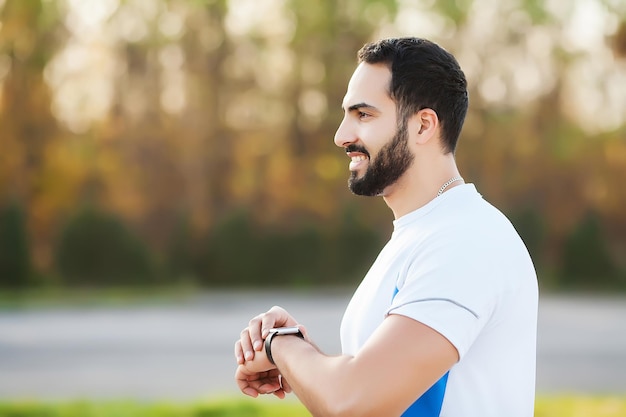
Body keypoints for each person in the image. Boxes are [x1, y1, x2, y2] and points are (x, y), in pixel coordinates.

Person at [234, 37, 538, 417]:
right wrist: (303, 361)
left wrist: (280, 345)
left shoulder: (466, 241)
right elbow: (370, 392)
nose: (341, 136)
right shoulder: (423, 235)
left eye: (363, 115)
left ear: (423, 126)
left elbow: (355, 402)